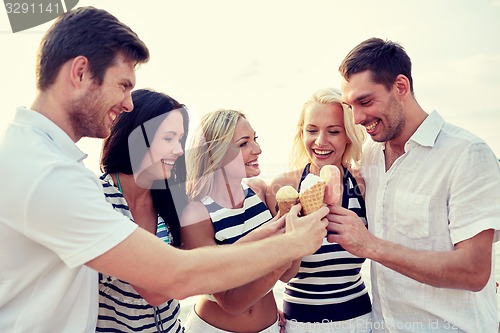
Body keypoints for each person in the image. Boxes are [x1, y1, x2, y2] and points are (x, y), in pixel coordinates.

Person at [0, 6, 330, 332]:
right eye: (123, 85)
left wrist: (273, 232)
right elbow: (171, 277)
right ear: (81, 72)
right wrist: (291, 244)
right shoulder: (45, 172)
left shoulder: (48, 160)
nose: (128, 103)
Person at [328, 37, 500, 332]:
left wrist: (371, 246)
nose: (356, 118)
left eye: (365, 102)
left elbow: (474, 271)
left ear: (401, 87)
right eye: (350, 105)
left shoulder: (467, 153)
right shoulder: (369, 155)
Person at [266, 88, 372, 333]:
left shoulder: (363, 184)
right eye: (312, 130)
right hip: (300, 322)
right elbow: (278, 273)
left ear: (348, 135)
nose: (320, 141)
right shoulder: (284, 187)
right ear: (301, 133)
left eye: (333, 131)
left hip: (360, 320)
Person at [180, 109, 289, 333]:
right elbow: (231, 303)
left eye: (255, 139)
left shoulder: (259, 191)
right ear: (215, 153)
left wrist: (297, 227)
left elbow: (289, 274)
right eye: (243, 144)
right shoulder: (195, 212)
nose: (257, 150)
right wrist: (279, 250)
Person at [97, 88, 189, 332]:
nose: (179, 149)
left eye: (180, 139)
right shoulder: (99, 200)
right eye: (169, 138)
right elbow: (154, 291)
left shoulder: (170, 198)